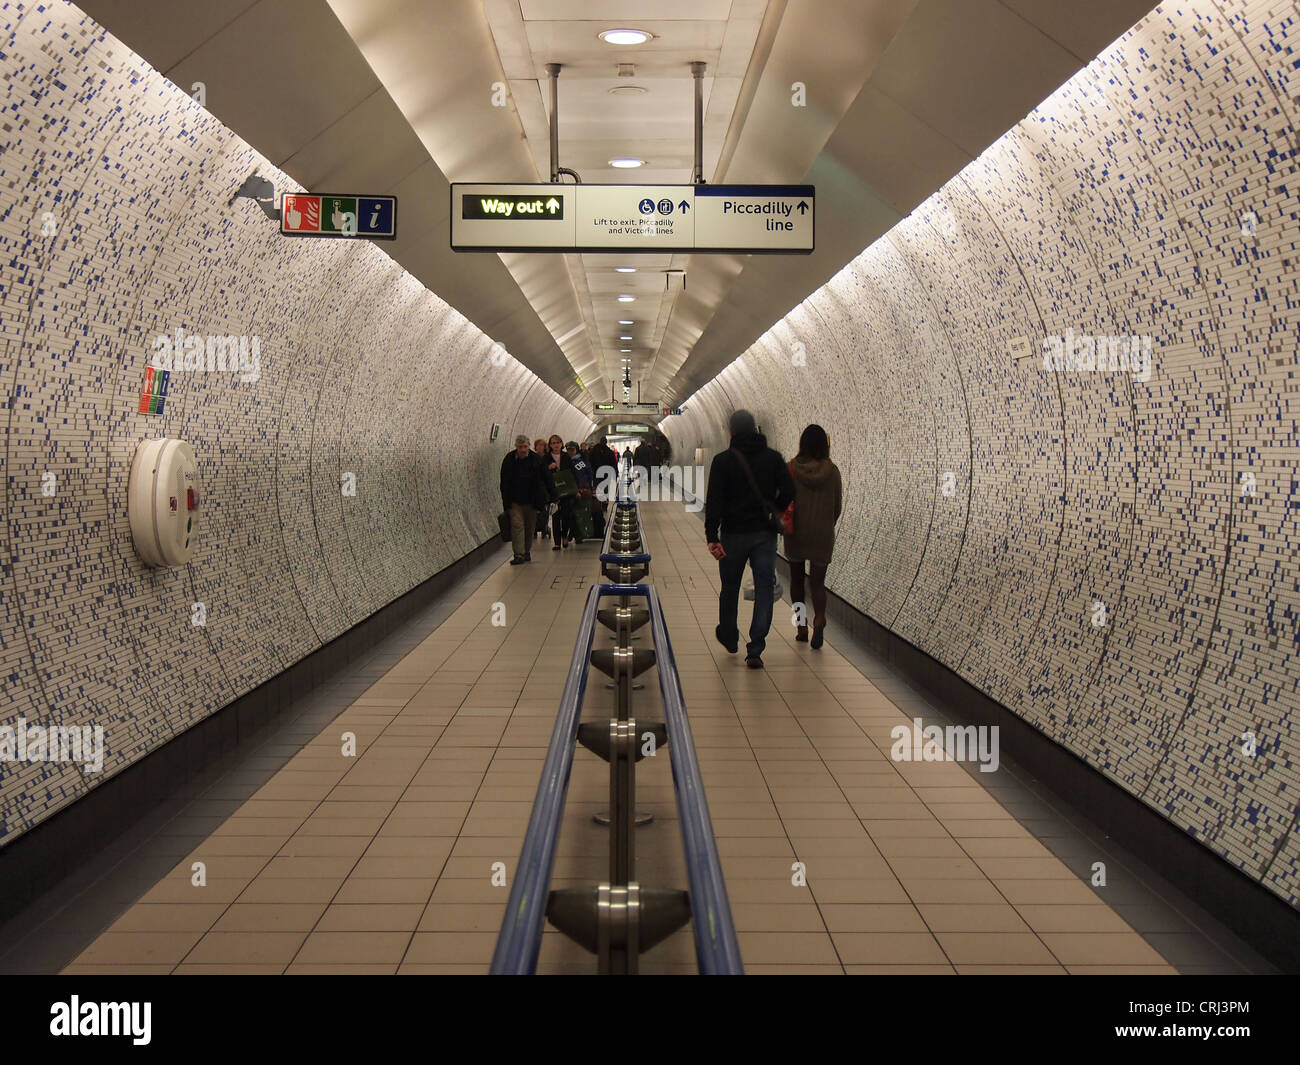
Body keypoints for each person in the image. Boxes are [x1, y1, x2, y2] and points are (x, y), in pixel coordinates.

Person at [705, 410, 796, 669]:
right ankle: (755, 647)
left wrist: (712, 536)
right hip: (764, 534)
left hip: (732, 534)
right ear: (755, 430)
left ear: (732, 432)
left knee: (730, 587)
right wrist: (774, 509)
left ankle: (730, 636)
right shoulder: (773, 458)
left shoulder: (722, 461)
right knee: (764, 588)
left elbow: (714, 501)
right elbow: (790, 489)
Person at [784, 424, 842, 649]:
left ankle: (800, 626)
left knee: (797, 581)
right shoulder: (833, 471)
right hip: (822, 535)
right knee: (818, 583)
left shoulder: (791, 468)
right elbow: (837, 506)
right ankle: (819, 618)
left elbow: (783, 498)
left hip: (796, 533)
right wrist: (827, 525)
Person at [500, 435, 550, 565]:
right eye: (520, 447)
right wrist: (506, 502)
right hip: (515, 501)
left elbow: (546, 478)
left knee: (529, 527)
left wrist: (552, 496)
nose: (523, 449)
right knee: (517, 526)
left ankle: (526, 551)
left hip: (532, 501)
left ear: (529, 446)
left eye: (525, 447)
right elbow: (504, 482)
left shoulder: (536, 459)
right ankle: (519, 554)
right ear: (516, 447)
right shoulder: (509, 459)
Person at [544, 434, 575, 548]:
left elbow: (573, 473)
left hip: (566, 490)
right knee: (556, 516)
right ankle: (557, 542)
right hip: (553, 492)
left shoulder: (566, 457)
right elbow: (541, 474)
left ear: (561, 444)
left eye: (558, 442)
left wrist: (575, 489)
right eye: (553, 443)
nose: (556, 445)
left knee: (566, 515)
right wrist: (548, 468)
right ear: (550, 445)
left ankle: (564, 535)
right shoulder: (546, 458)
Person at [566, 441, 594, 544]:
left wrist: (589, 488)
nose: (570, 452)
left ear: (576, 450)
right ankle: (573, 532)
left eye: (572, 450)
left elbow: (589, 474)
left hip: (582, 490)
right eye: (568, 450)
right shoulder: (565, 460)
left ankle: (578, 534)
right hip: (569, 490)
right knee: (571, 513)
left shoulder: (582, 461)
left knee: (580, 512)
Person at [532, 438, 550, 540]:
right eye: (538, 445)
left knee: (545, 509)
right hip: (535, 488)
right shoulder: (532, 458)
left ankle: (544, 527)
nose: (539, 447)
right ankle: (534, 527)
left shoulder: (547, 458)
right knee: (535, 509)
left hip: (545, 488)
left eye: (542, 445)